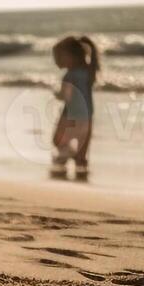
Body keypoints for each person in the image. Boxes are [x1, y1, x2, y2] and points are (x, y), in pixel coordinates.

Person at [50, 35, 100, 181]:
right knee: (83, 150)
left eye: (59, 57)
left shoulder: (69, 76)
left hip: (69, 116)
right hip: (87, 117)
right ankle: (81, 169)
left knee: (57, 141)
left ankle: (68, 155)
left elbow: (66, 96)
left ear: (72, 56)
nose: (56, 61)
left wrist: (56, 94)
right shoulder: (89, 73)